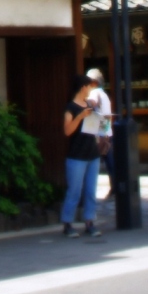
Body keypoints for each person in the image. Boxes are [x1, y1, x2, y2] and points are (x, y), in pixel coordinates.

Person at [62, 74, 104, 238]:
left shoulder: (91, 105)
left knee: (91, 190)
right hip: (76, 155)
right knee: (74, 191)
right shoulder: (70, 107)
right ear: (83, 87)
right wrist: (80, 117)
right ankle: (67, 223)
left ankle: (89, 222)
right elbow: (67, 131)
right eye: (89, 86)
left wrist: (102, 121)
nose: (90, 89)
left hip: (92, 153)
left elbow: (98, 127)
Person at [85, 68, 115, 199]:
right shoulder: (104, 94)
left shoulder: (95, 93)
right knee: (110, 163)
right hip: (106, 132)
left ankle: (89, 193)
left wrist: (83, 102)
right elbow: (108, 116)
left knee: (93, 163)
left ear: (94, 82)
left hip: (100, 134)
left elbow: (92, 103)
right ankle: (115, 188)